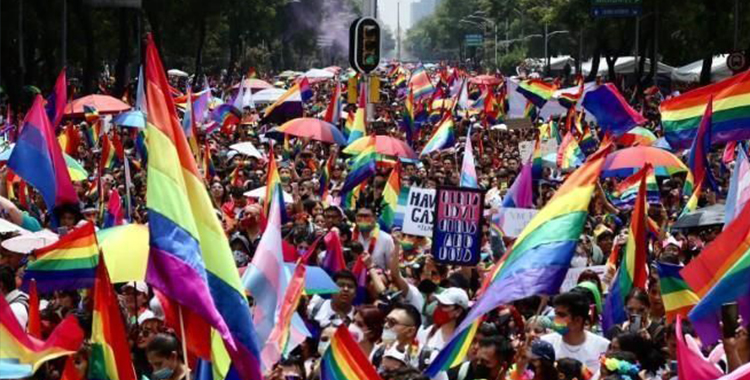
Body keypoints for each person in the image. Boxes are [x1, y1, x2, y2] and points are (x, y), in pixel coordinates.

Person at [541, 292, 609, 374]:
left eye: (561, 315)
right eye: (556, 314)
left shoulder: (603, 346)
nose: (555, 319)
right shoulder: (545, 343)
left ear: (578, 320)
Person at [371, 303, 422, 371]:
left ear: (410, 331)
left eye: (392, 322)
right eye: (386, 321)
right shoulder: (378, 351)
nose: (386, 325)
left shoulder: (425, 358)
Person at [447, 335, 515, 380]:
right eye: (477, 359)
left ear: (503, 365)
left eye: (485, 362)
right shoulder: (458, 373)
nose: (478, 364)